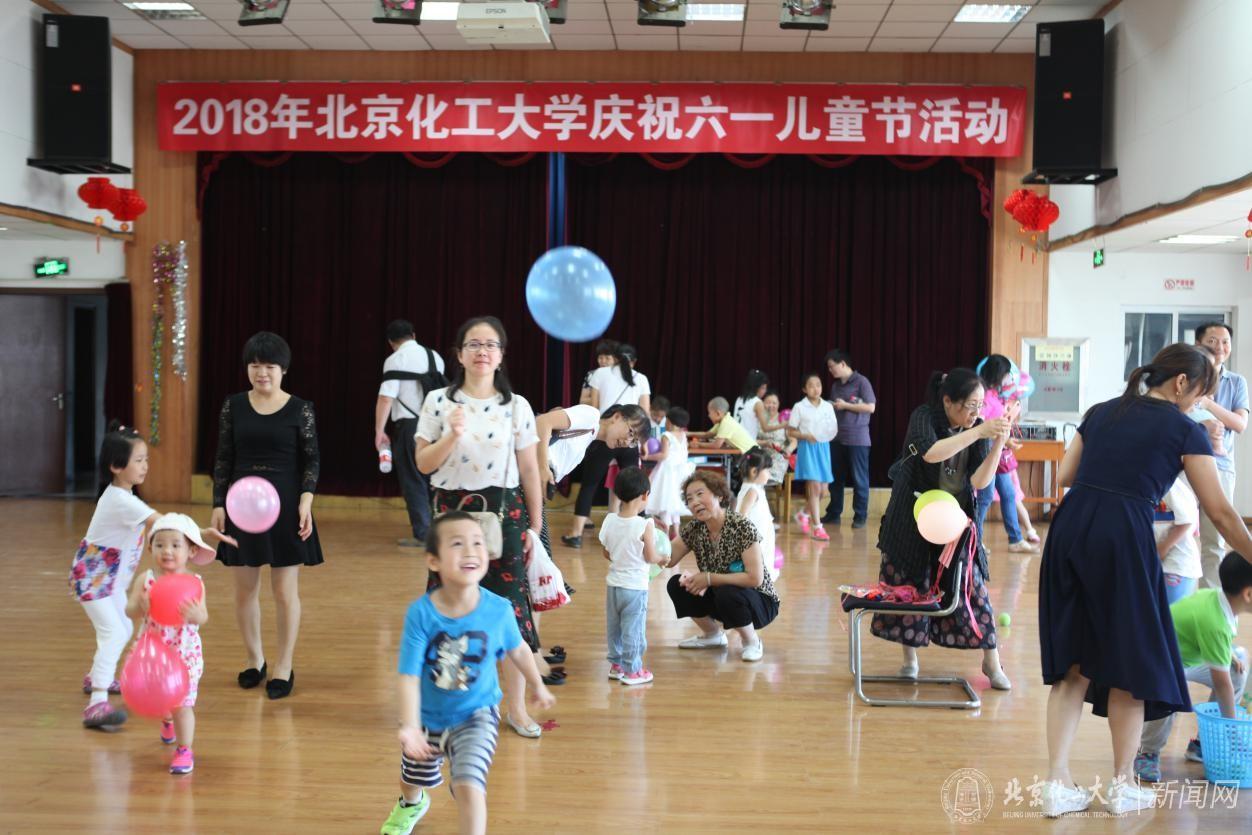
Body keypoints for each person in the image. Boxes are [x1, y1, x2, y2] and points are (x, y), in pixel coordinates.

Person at [1038, 343, 1252, 818]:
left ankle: (1056, 783)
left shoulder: (1102, 411)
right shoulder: (1184, 429)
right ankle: (1121, 784)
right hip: (1123, 534)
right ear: (1181, 383)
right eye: (1199, 395)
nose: (1197, 405)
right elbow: (1219, 511)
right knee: (1131, 664)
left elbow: (1067, 474)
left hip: (1070, 527)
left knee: (1074, 665)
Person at [381, 513, 556, 835]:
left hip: (477, 715)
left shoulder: (499, 609)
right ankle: (411, 803)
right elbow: (408, 676)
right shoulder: (421, 614)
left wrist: (537, 685)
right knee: (413, 778)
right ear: (433, 560)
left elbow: (519, 649)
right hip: (427, 716)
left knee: (469, 784)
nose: (471, 551)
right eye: (457, 544)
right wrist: (409, 726)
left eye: (477, 543)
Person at [416, 316, 548, 739]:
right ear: (458, 354)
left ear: (501, 356)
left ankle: (517, 709)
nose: (482, 352)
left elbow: (530, 469)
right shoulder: (438, 401)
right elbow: (423, 464)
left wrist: (535, 526)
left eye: (491, 345)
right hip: (451, 516)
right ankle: (453, 710)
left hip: (505, 517)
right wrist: (452, 436)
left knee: (510, 615)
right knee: (451, 611)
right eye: (473, 344)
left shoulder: (517, 406)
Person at [70, 423, 231, 730]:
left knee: (121, 627)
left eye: (146, 459)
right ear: (116, 466)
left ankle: (97, 677)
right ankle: (96, 704)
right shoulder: (120, 500)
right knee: (114, 632)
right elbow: (166, 523)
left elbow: (166, 524)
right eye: (139, 460)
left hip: (107, 580)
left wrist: (198, 532)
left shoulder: (125, 496)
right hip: (94, 579)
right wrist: (199, 532)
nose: (145, 466)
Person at [871, 368, 1012, 689]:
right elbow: (932, 453)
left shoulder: (976, 429)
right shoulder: (924, 417)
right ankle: (910, 659)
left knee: (972, 586)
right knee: (908, 586)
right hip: (912, 517)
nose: (976, 413)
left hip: (956, 521)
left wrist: (997, 444)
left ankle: (992, 662)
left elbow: (979, 482)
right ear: (948, 401)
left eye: (980, 406)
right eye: (971, 406)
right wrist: (979, 431)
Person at [212, 331, 323, 700]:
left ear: (283, 370)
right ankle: (254, 659)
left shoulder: (300, 409)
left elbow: (312, 460)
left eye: (270, 366)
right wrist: (218, 504)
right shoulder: (233, 406)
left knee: (284, 592)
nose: (262, 373)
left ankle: (283, 665)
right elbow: (223, 458)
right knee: (245, 590)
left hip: (286, 506)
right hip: (241, 507)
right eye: (255, 365)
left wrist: (306, 501)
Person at [1134, 552, 1251, 783]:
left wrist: (1228, 654)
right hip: (1158, 659)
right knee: (1172, 694)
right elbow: (1222, 684)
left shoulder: (1221, 601)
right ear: (1248, 594)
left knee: (1236, 668)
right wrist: (1233, 731)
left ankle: (1201, 744)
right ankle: (1148, 751)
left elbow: (1209, 639)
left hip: (1184, 657)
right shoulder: (1215, 622)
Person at [126, 513, 216, 775]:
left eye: (176, 545)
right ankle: (166, 720)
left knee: (182, 704)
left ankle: (184, 750)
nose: (167, 551)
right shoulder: (146, 579)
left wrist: (196, 615)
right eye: (160, 544)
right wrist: (140, 606)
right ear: (150, 548)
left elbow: (203, 616)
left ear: (191, 551)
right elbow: (129, 610)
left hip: (184, 652)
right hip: (153, 652)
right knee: (163, 697)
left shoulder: (195, 583)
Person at [663, 471, 779, 663]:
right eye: (689, 499)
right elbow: (668, 558)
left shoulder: (741, 526)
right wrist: (652, 539)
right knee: (678, 584)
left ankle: (751, 641)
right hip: (722, 596)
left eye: (700, 494)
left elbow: (755, 578)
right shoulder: (695, 528)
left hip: (759, 601)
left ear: (719, 495)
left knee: (727, 591)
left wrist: (709, 578)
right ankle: (712, 636)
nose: (694, 502)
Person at [565, 343, 650, 547]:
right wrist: (643, 442)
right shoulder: (641, 378)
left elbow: (594, 408)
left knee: (589, 484)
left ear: (615, 358)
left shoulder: (600, 373)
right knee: (634, 484)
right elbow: (644, 415)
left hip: (605, 433)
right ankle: (639, 533)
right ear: (633, 361)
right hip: (631, 438)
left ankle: (576, 534)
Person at [374, 319, 447, 548]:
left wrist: (379, 431)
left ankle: (423, 534)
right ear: (414, 335)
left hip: (410, 428)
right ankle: (441, 530)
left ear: (391, 342)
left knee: (413, 480)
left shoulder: (395, 359)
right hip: (438, 428)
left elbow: (386, 398)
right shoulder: (435, 357)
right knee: (436, 480)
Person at [1193, 323, 1249, 590]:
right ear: (1199, 344)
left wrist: (1207, 404)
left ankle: (1210, 598)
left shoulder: (1236, 382)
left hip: (1220, 467)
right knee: (1177, 531)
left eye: (1225, 342)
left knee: (1214, 539)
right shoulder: (1187, 377)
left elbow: (1239, 424)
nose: (1220, 347)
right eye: (1213, 341)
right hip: (1183, 465)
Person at [599, 467, 665, 686]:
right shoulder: (645, 525)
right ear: (645, 495)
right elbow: (650, 556)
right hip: (635, 588)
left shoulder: (609, 520)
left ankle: (616, 665)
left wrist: (622, 556)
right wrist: (662, 558)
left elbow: (606, 552)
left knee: (615, 627)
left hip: (613, 586)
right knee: (633, 629)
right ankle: (633, 670)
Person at [972, 354, 1036, 554]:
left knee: (1008, 493)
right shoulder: (984, 397)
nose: (1010, 378)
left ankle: (1015, 540)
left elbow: (996, 426)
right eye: (1008, 373)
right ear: (1000, 374)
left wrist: (1006, 440)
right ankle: (975, 541)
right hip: (987, 454)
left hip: (999, 453)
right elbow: (980, 428)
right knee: (985, 498)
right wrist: (1003, 440)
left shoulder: (995, 395)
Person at [822, 350, 876, 529]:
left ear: (843, 364)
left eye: (832, 366)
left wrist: (845, 405)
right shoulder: (836, 385)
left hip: (857, 439)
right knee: (836, 479)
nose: (831, 370)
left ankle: (860, 516)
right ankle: (834, 513)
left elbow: (871, 407)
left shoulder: (862, 382)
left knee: (859, 479)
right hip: (836, 437)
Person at [787, 373, 839, 542]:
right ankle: (817, 528)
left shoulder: (827, 406)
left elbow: (833, 428)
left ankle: (804, 514)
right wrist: (806, 436)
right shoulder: (799, 407)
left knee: (823, 491)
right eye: (811, 385)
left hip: (823, 448)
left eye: (818, 384)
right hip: (807, 448)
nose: (816, 389)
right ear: (804, 389)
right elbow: (790, 431)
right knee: (815, 487)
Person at [643, 406, 692, 539]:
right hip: (680, 472)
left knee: (664, 502)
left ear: (669, 421)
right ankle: (676, 531)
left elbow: (664, 455)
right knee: (674, 503)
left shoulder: (666, 435)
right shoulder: (683, 435)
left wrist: (647, 457)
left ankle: (665, 533)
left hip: (666, 472)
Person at [1154, 475, 1202, 604]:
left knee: (1172, 612)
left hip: (1177, 564)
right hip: (1156, 561)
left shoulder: (1169, 484)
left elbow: (1187, 521)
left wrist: (1164, 547)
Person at [736, 447, 778, 579]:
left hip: (761, 536)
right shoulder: (752, 491)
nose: (769, 475)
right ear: (754, 471)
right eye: (767, 471)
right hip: (755, 539)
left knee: (762, 565)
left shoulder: (753, 488)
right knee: (759, 566)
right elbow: (741, 516)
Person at [689, 396, 756, 453]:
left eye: (709, 413)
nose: (708, 416)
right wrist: (688, 434)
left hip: (753, 454)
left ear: (718, 413)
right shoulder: (723, 420)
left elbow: (716, 445)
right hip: (749, 453)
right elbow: (707, 434)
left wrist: (698, 444)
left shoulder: (726, 423)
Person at [758, 390, 795, 486]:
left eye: (774, 403)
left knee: (759, 478)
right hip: (759, 455)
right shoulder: (758, 420)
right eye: (768, 402)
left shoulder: (784, 419)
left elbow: (794, 441)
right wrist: (764, 443)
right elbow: (751, 439)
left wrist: (788, 450)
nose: (771, 405)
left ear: (779, 404)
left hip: (777, 457)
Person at [732, 369, 770, 444]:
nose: (765, 391)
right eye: (763, 388)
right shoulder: (757, 402)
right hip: (747, 446)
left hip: (735, 442)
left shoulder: (739, 399)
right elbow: (765, 428)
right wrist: (782, 425)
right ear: (756, 387)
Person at [579, 339, 619, 407]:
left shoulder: (621, 375)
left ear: (615, 360)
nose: (603, 361)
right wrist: (602, 397)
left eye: (607, 358)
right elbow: (582, 400)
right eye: (600, 358)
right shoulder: (592, 374)